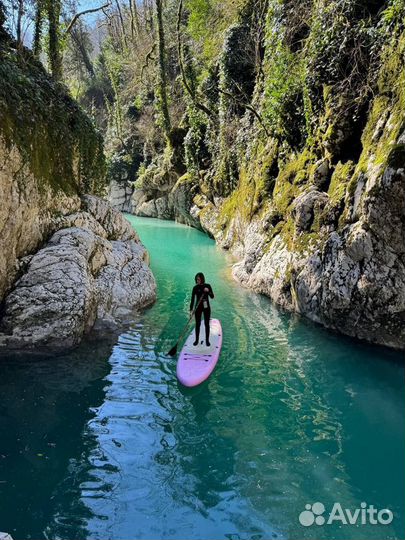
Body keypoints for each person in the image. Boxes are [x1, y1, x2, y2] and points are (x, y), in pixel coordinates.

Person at [190, 272, 214, 347]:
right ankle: (197, 340)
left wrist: (208, 291)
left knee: (207, 324)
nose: (197, 281)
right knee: (198, 324)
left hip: (206, 307)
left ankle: (207, 340)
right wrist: (191, 310)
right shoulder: (195, 288)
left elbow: (212, 296)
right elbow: (192, 300)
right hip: (198, 307)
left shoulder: (208, 286)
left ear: (202, 279)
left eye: (199, 279)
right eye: (196, 279)